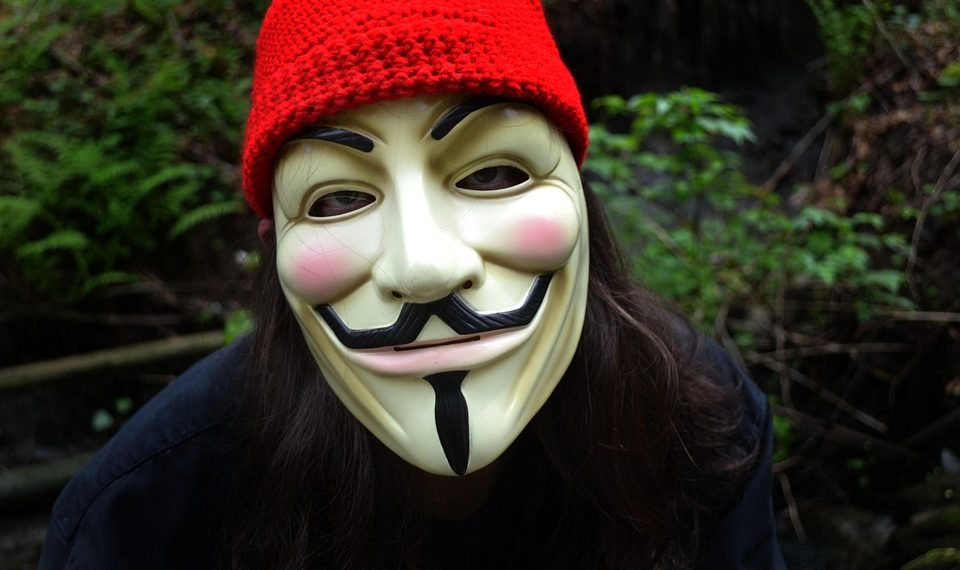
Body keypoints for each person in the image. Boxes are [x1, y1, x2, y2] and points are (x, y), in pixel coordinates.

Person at [39, 1, 786, 568]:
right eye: (338, 199)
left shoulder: (699, 430)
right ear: (272, 247)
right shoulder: (145, 515)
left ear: (582, 201)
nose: (424, 267)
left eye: (493, 174)